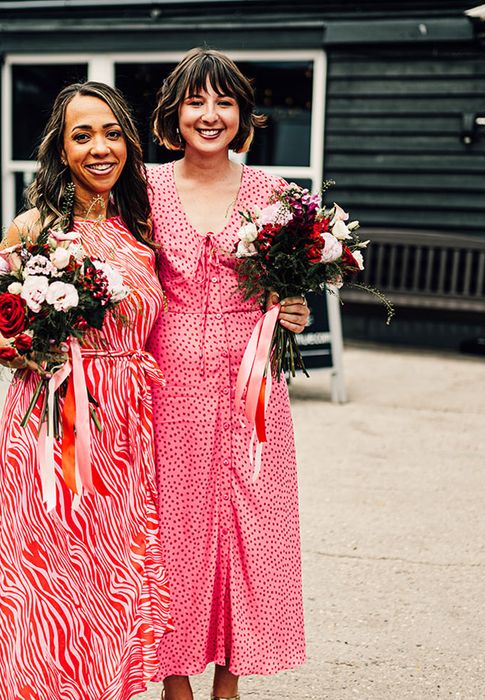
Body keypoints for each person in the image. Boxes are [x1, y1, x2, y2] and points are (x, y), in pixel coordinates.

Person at [0, 81, 172, 700]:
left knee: (114, 582)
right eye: (82, 134)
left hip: (128, 433)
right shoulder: (34, 228)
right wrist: (35, 337)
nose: (99, 148)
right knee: (49, 586)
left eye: (112, 133)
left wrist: (287, 304)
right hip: (52, 426)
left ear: (129, 143)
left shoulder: (142, 229)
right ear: (61, 150)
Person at [146, 49, 310, 700]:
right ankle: (175, 679)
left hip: (252, 390)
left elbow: (289, 287)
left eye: (224, 102)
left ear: (242, 114)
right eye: (196, 101)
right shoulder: (145, 187)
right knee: (173, 535)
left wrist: (295, 305)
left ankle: (229, 680)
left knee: (247, 529)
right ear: (174, 112)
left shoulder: (272, 193)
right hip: (168, 388)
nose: (209, 115)